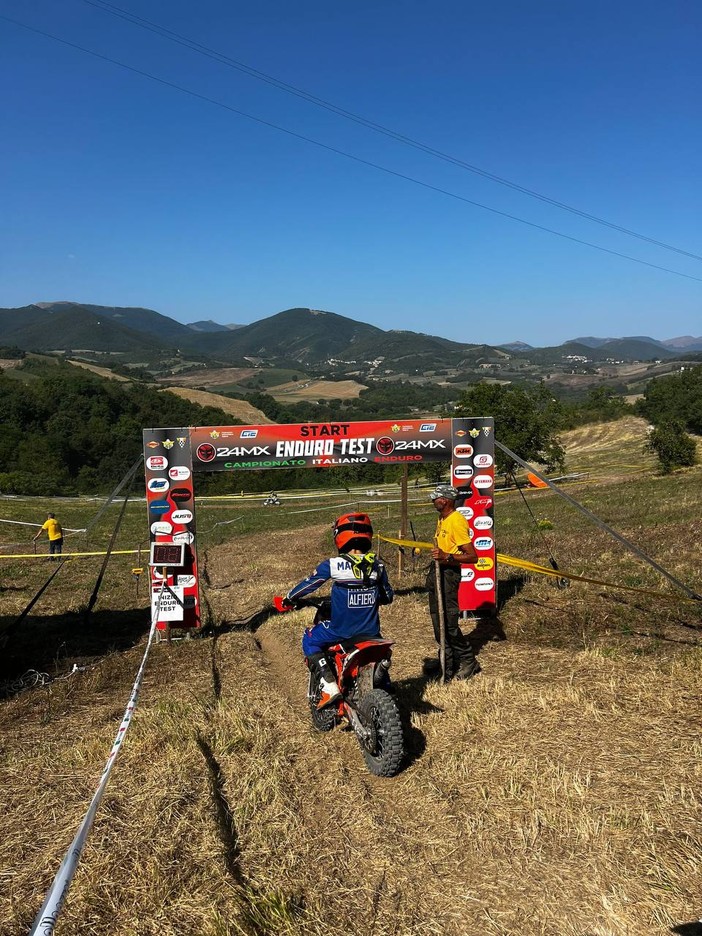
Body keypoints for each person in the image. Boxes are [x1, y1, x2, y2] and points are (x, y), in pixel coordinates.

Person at [282, 512, 394, 709]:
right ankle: (384, 685)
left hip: (341, 630)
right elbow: (388, 596)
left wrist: (289, 598)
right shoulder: (378, 566)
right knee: (379, 656)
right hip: (372, 633)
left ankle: (330, 684)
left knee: (310, 638)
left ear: (339, 536)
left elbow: (308, 585)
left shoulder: (333, 565)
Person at [425, 484, 481, 681]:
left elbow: (472, 557)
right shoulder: (442, 518)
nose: (433, 501)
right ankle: (446, 663)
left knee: (448, 624)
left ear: (446, 500)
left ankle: (468, 661)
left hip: (449, 574)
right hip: (437, 572)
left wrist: (447, 557)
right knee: (437, 621)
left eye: (436, 498)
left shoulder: (457, 521)